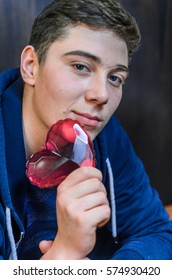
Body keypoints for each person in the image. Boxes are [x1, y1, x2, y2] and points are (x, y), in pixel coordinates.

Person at [0, 0, 172, 260]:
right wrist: (65, 254)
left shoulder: (101, 132)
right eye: (81, 66)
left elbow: (156, 231)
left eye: (115, 77)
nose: (101, 95)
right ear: (31, 66)